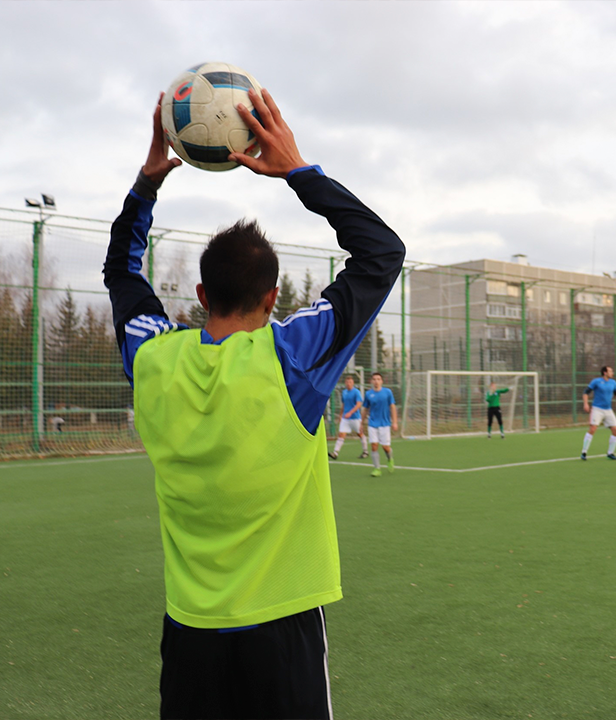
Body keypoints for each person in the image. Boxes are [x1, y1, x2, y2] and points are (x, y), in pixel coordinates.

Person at [103, 89, 404, 720]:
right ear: (271, 300)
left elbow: (122, 276)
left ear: (200, 293)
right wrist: (297, 169)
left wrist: (146, 187)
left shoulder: (153, 362)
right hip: (282, 632)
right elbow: (381, 252)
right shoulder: (292, 357)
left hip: (190, 632)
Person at [581, 365, 616, 460]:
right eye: (610, 371)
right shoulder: (596, 381)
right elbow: (586, 392)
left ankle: (610, 453)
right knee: (593, 428)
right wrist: (586, 404)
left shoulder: (613, 382)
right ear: (605, 372)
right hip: (597, 409)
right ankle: (584, 452)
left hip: (608, 410)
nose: (612, 373)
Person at [362, 372, 397, 477]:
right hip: (372, 423)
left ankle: (390, 458)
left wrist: (394, 422)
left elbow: (393, 407)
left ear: (381, 381)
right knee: (374, 446)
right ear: (371, 381)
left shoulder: (387, 392)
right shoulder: (368, 394)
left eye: (378, 379)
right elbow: (365, 409)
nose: (376, 381)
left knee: (385, 447)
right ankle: (377, 469)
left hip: (385, 424)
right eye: (374, 379)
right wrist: (361, 423)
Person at [329, 375, 369, 460]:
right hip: (345, 418)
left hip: (355, 418)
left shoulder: (356, 392)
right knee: (341, 435)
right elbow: (343, 405)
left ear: (353, 383)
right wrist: (340, 415)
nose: (348, 383)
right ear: (345, 383)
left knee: (360, 434)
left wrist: (350, 412)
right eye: (347, 382)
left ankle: (365, 451)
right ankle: (335, 452)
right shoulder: (344, 392)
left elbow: (359, 404)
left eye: (350, 382)